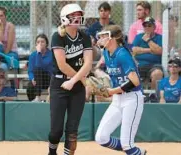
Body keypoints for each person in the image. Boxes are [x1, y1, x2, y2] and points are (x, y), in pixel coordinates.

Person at [48, 4, 92, 155]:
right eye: (73, 15)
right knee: (56, 130)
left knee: (72, 130)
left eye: (79, 15)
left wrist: (77, 81)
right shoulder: (58, 36)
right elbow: (62, 65)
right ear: (64, 18)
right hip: (59, 84)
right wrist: (83, 80)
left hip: (77, 85)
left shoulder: (85, 36)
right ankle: (52, 152)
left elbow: (87, 64)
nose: (77, 18)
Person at [94, 25, 146, 155]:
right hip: (118, 99)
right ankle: (137, 152)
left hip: (132, 98)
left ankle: (133, 151)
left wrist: (111, 91)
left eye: (104, 36)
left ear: (114, 38)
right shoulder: (106, 53)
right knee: (101, 137)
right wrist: (106, 88)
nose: (100, 38)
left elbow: (135, 81)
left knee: (127, 144)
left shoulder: (122, 54)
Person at [132, 17, 163, 90]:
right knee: (129, 72)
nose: (147, 27)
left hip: (154, 65)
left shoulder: (159, 37)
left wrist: (148, 40)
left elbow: (159, 51)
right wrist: (151, 50)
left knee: (157, 73)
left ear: (154, 27)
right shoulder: (138, 37)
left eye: (149, 25)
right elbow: (133, 50)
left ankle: (153, 97)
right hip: (139, 64)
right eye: (145, 25)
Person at [27, 34, 53, 102]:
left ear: (46, 43)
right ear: (36, 44)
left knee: (38, 69)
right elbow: (30, 71)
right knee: (29, 86)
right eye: (38, 42)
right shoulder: (32, 55)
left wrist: (39, 53)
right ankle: (33, 103)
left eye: (42, 42)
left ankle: (38, 97)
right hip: (37, 80)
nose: (40, 44)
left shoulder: (51, 55)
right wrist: (32, 78)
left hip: (48, 79)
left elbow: (40, 66)